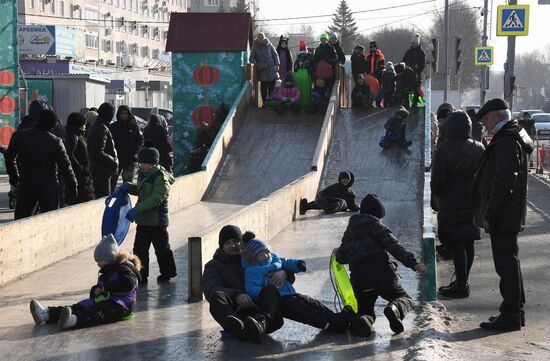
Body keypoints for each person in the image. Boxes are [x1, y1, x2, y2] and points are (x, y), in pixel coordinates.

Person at [201, 226, 373, 344]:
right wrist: (237, 294)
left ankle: (339, 321)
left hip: (265, 309)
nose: (233, 245)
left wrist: (285, 273)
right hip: (240, 310)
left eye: (236, 241)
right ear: (221, 245)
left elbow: (279, 262)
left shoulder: (251, 256)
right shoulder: (214, 266)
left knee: (300, 302)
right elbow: (211, 288)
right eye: (228, 242)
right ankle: (235, 326)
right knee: (217, 296)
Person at [474, 98, 533, 331]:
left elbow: (504, 181)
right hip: (509, 212)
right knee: (510, 263)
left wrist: (490, 214)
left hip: (503, 214)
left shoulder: (507, 140)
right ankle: (514, 312)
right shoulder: (513, 135)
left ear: (498, 116)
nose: (485, 124)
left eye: (487, 119)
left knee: (506, 266)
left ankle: (510, 315)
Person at [334, 194, 428, 334]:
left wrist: (337, 252)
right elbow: (395, 247)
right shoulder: (377, 227)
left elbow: (342, 258)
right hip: (382, 275)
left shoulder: (349, 233)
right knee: (403, 298)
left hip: (360, 280)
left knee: (366, 310)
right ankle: (394, 310)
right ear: (377, 215)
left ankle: (364, 321)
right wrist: (414, 264)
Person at [29, 234, 141, 330]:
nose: (98, 264)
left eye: (99, 261)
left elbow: (129, 284)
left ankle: (73, 320)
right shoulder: (107, 271)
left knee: (96, 313)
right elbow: (100, 288)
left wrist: (105, 289)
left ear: (109, 259)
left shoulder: (124, 269)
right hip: (106, 300)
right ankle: (46, 314)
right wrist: (96, 290)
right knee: (80, 306)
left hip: (122, 306)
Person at [431, 111, 485, 298]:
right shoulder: (479, 147)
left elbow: (437, 178)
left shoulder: (445, 149)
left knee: (456, 242)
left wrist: (436, 197)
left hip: (450, 200)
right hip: (473, 201)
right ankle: (463, 281)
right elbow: (485, 175)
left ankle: (461, 284)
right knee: (468, 241)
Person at [4, 109, 78, 220]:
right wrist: (73, 185)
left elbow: (9, 157)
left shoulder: (22, 136)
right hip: (49, 187)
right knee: (48, 221)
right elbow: (66, 166)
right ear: (53, 125)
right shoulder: (56, 141)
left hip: (27, 184)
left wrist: (14, 177)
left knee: (22, 221)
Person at [118, 147, 177, 283]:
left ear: (153, 163)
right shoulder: (144, 174)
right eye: (141, 163)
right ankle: (140, 274)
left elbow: (156, 198)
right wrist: (128, 186)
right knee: (139, 249)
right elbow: (142, 191)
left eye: (145, 163)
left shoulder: (161, 177)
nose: (142, 165)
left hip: (157, 221)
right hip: (144, 221)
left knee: (162, 249)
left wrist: (137, 209)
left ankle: (168, 272)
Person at [239, 233, 306, 342]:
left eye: (266, 252)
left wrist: (298, 264)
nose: (265, 256)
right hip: (274, 298)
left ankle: (337, 319)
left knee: (308, 305)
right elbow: (251, 287)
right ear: (253, 258)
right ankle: (258, 324)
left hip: (288, 294)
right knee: (305, 310)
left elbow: (287, 262)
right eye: (261, 255)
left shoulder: (274, 259)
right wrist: (263, 294)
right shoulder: (253, 270)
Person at [88, 102, 119, 198]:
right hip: (102, 170)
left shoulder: (97, 125)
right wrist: (113, 160)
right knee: (103, 200)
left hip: (100, 169)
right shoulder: (101, 128)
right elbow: (98, 152)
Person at [110, 105, 144, 191]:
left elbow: (140, 140)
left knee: (128, 183)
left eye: (126, 114)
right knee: (112, 182)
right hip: (117, 158)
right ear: (118, 114)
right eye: (122, 113)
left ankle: (126, 200)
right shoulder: (113, 127)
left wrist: (135, 151)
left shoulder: (134, 127)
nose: (124, 115)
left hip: (130, 159)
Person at [64, 112, 95, 204]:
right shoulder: (74, 136)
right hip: (81, 176)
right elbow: (69, 155)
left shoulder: (78, 135)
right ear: (79, 124)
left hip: (84, 175)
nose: (85, 127)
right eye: (84, 125)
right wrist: (81, 168)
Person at [249, 32, 280, 104]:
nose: (261, 39)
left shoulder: (269, 45)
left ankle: (271, 101)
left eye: (262, 37)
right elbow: (251, 58)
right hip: (262, 70)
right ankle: (264, 102)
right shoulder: (255, 47)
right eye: (260, 38)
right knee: (264, 87)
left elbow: (275, 55)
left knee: (272, 86)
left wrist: (277, 64)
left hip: (271, 69)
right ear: (257, 38)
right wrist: (257, 64)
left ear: (264, 38)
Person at [401, 34, 425, 109]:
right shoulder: (408, 52)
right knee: (404, 87)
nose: (412, 45)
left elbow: (422, 64)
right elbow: (403, 61)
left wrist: (417, 71)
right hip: (408, 74)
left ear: (417, 44)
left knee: (416, 89)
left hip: (416, 74)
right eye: (411, 44)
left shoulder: (421, 53)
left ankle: (414, 104)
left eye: (414, 44)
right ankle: (406, 103)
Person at [293, 40, 314, 107]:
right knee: (299, 90)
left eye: (304, 52)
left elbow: (312, 66)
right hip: (299, 77)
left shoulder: (310, 57)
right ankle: (299, 102)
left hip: (307, 76)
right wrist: (296, 70)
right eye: (302, 53)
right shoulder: (298, 58)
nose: (303, 54)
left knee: (307, 90)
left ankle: (307, 102)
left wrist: (309, 70)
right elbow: (295, 67)